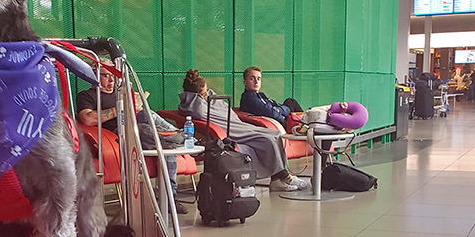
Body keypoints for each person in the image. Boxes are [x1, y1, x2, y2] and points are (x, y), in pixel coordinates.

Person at [76, 65, 189, 213]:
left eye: (113, 76)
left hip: (139, 127)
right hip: (118, 134)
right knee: (160, 133)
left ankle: (169, 197)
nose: (111, 79)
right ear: (94, 76)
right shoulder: (86, 95)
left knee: (160, 135)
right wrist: (121, 107)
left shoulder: (120, 93)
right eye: (105, 75)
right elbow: (88, 119)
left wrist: (137, 106)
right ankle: (178, 135)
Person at [178, 69, 308, 192]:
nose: (207, 95)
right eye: (204, 94)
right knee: (267, 139)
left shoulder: (207, 101)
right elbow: (201, 107)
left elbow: (222, 107)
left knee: (275, 134)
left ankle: (277, 178)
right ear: (195, 96)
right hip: (231, 132)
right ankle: (285, 177)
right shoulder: (195, 105)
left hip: (238, 125)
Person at [238, 66, 303, 126]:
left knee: (290, 102)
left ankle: (307, 124)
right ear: (245, 82)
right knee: (291, 103)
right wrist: (283, 113)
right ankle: (307, 125)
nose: (256, 82)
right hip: (278, 122)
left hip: (279, 118)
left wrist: (279, 110)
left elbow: (275, 105)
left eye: (259, 79)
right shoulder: (249, 98)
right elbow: (272, 113)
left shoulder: (260, 95)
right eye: (252, 79)